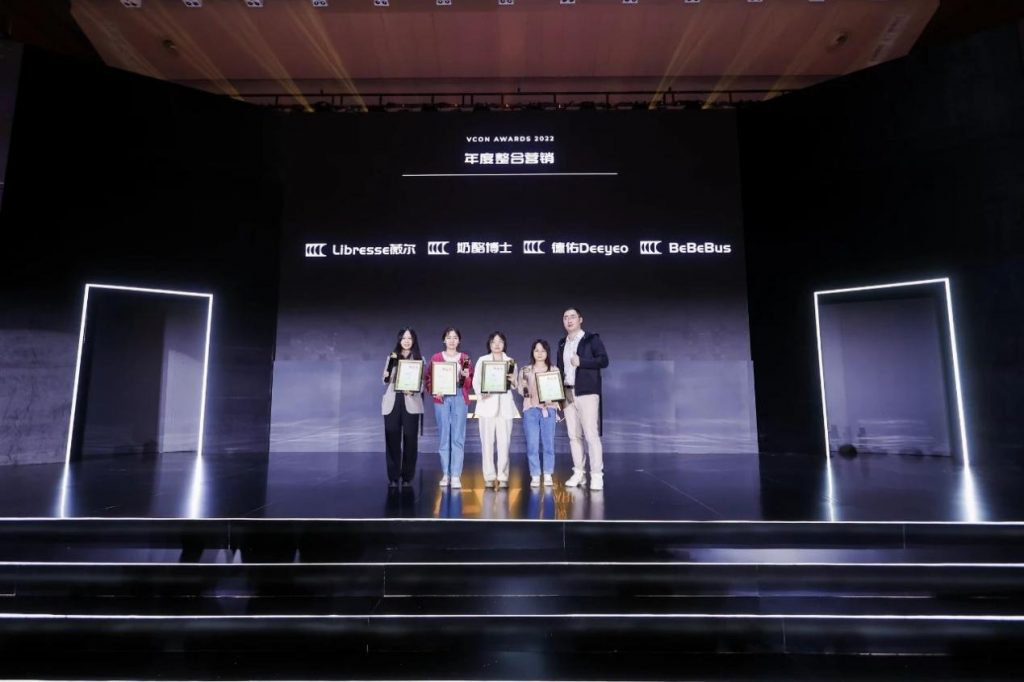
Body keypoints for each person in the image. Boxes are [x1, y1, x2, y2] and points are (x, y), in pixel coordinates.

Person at [556, 307, 609, 490]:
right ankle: (579, 473)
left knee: (591, 435)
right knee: (573, 436)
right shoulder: (562, 343)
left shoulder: (591, 339)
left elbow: (604, 360)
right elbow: (560, 370)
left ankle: (596, 474)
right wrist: (557, 394)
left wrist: (582, 362)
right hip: (567, 393)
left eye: (572, 316)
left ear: (580, 319)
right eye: (565, 317)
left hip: (587, 392)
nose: (569, 320)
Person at [426, 327, 473, 489]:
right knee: (444, 436)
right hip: (442, 398)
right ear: (444, 340)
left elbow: (469, 383)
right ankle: (446, 473)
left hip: (459, 396)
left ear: (459, 341)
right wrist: (435, 391)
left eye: (455, 337)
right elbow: (429, 378)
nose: (452, 340)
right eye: (449, 337)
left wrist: (466, 377)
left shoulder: (465, 358)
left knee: (458, 436)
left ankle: (456, 475)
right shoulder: (436, 358)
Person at [473, 331, 519, 488]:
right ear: (490, 344)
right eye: (494, 342)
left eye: (500, 341)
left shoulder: (510, 362)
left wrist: (514, 380)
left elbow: (514, 385)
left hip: (505, 407)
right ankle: (489, 476)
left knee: (504, 443)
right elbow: (476, 381)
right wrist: (481, 394)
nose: (497, 344)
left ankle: (503, 476)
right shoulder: (482, 360)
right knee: (487, 443)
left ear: (504, 344)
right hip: (487, 406)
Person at [381, 328, 424, 488]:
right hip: (392, 401)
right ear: (399, 340)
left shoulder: (419, 359)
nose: (406, 341)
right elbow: (384, 380)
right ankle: (393, 476)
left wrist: (413, 390)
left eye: (409, 338)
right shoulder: (392, 357)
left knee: (410, 440)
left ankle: (407, 477)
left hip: (411, 401)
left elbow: (421, 384)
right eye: (403, 338)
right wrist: (387, 375)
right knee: (392, 439)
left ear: (414, 341)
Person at [517, 339, 559, 488]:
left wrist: (551, 398)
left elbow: (558, 391)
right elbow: (521, 391)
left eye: (543, 350)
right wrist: (523, 387)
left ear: (547, 353)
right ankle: (535, 475)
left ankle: (548, 474)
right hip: (531, 409)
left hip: (549, 409)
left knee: (549, 443)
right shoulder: (526, 370)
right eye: (536, 350)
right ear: (532, 352)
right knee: (532, 444)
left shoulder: (553, 369)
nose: (539, 353)